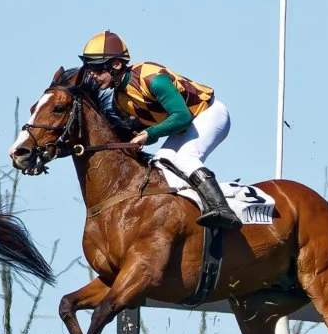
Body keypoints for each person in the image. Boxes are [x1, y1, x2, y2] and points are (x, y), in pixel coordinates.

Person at [79, 30, 240, 229]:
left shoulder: (152, 79)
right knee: (161, 164)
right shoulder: (119, 101)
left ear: (116, 64)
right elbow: (153, 132)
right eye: (89, 69)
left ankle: (223, 210)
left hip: (209, 114)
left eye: (96, 69)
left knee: (185, 159)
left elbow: (182, 117)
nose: (92, 75)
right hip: (183, 127)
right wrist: (140, 139)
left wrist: (149, 134)